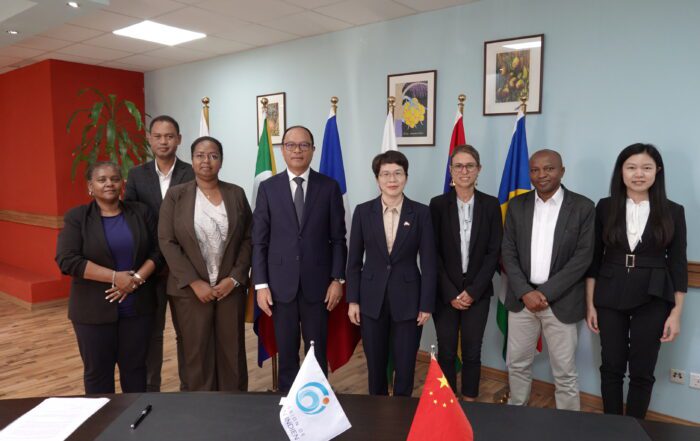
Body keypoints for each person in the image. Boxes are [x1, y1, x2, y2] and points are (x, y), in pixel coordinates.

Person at [585, 143, 687, 419]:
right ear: (621, 171)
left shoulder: (673, 211)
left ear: (658, 171)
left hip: (654, 295)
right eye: (631, 167)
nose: (638, 174)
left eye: (646, 168)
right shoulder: (605, 207)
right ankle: (612, 427)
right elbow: (594, 260)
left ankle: (634, 429)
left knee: (642, 370)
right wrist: (590, 304)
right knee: (611, 366)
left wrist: (676, 314)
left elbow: (678, 265)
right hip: (609, 292)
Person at [252, 126, 347, 393]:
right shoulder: (268, 189)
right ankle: (289, 402)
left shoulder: (329, 187)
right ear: (282, 150)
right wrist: (261, 285)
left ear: (313, 150)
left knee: (317, 353)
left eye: (304, 145)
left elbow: (339, 239)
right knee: (287, 353)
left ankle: (318, 404)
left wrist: (337, 280)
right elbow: (259, 241)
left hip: (319, 287)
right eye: (291, 145)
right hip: (280, 287)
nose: (297, 150)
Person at [56, 161, 162, 394]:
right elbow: (67, 260)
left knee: (136, 371)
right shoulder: (77, 217)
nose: (109, 184)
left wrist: (135, 279)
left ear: (122, 184)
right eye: (102, 180)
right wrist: (115, 277)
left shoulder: (141, 212)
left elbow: (158, 251)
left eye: (114, 179)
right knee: (98, 375)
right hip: (93, 313)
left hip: (137, 309)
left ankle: (136, 415)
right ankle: (103, 418)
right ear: (90, 186)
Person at [501, 149, 595, 411]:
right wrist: (525, 292)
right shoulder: (517, 205)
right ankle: (517, 414)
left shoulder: (583, 207)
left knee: (564, 372)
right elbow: (508, 251)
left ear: (562, 171)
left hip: (561, 301)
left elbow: (583, 257)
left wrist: (544, 293)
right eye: (535, 170)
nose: (541, 175)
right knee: (517, 364)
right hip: (522, 301)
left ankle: (568, 424)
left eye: (549, 168)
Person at [158, 136, 252, 391]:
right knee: (196, 352)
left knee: (232, 351)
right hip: (189, 291)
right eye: (200, 155)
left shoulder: (236, 193)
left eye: (213, 155)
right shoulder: (176, 195)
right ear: (192, 160)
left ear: (221, 160)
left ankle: (233, 405)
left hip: (229, 289)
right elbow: (167, 241)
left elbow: (248, 238)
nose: (206, 161)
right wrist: (194, 282)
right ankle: (200, 408)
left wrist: (235, 278)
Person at [346, 150, 436, 397]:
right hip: (370, 299)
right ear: (377, 179)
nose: (392, 179)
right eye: (385, 174)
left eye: (398, 173)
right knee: (375, 367)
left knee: (405, 367)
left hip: (409, 299)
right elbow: (353, 261)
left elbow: (429, 263)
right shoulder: (363, 212)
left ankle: (402, 414)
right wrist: (353, 300)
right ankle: (376, 413)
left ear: (406, 177)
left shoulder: (421, 213)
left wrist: (426, 304)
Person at [124, 114, 194, 392]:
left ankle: (189, 389)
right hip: (150, 268)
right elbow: (131, 219)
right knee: (151, 335)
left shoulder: (193, 172)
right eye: (158, 136)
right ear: (150, 139)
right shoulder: (137, 175)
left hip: (184, 268)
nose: (163, 141)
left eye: (169, 136)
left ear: (179, 139)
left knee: (187, 334)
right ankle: (151, 391)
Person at [429, 145, 502, 400]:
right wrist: (450, 292)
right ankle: (448, 401)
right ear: (451, 170)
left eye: (470, 166)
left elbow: (494, 252)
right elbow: (432, 253)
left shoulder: (491, 205)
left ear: (478, 169)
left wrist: (472, 291)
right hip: (445, 292)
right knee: (447, 351)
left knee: (472, 351)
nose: (464, 171)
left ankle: (470, 400)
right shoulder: (437, 205)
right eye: (458, 166)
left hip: (477, 292)